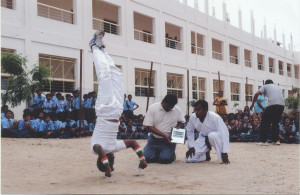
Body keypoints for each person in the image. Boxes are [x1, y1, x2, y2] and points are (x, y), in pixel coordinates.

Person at [89, 30, 147, 177]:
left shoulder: (95, 148)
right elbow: (133, 142)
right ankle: (102, 49)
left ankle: (94, 47)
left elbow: (100, 150)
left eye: (111, 162)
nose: (113, 161)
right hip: (116, 111)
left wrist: (108, 168)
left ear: (104, 161)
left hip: (104, 110)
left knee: (104, 75)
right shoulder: (114, 147)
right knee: (116, 74)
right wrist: (142, 158)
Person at [143, 94, 185, 164]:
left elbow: (182, 121)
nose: (169, 109)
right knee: (147, 158)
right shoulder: (153, 108)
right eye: (168, 106)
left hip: (168, 142)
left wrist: (176, 129)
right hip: (154, 139)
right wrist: (164, 135)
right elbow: (148, 126)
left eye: (172, 107)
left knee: (165, 159)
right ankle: (156, 152)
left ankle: (170, 154)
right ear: (163, 102)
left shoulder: (177, 109)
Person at [185, 100, 230, 164]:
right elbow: (189, 131)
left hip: (216, 137)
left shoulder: (215, 117)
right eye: (195, 109)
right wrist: (191, 146)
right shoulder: (193, 117)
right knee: (189, 159)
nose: (196, 112)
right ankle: (205, 156)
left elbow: (224, 133)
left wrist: (225, 151)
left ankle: (222, 156)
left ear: (205, 109)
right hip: (203, 137)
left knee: (212, 135)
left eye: (198, 110)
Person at [250, 79, 285, 146]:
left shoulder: (265, 86)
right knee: (275, 122)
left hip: (272, 105)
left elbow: (257, 94)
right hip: (281, 105)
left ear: (266, 83)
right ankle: (276, 140)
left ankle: (263, 141)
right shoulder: (278, 87)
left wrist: (252, 104)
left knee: (265, 122)